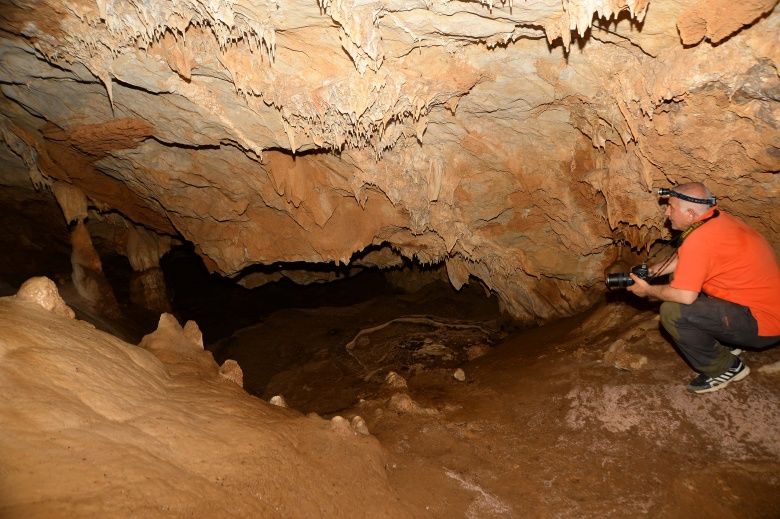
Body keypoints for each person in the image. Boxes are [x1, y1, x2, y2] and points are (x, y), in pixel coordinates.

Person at [627, 182, 780, 393]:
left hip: (764, 324)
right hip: (763, 306)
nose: (667, 212)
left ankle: (725, 368)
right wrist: (652, 272)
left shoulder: (699, 239)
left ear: (690, 213)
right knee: (684, 279)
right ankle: (729, 340)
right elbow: (688, 259)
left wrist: (648, 290)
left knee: (672, 311)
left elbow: (685, 296)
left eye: (671, 207)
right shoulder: (716, 219)